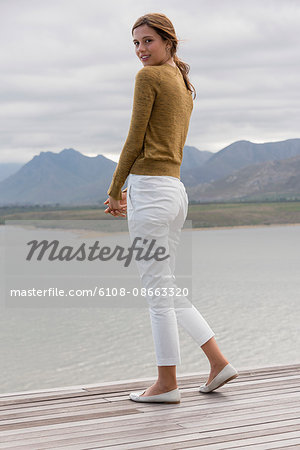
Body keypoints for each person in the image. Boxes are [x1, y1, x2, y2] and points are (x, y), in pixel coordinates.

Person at [104, 13, 238, 404]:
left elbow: (135, 137)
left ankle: (166, 383)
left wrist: (115, 190)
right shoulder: (181, 80)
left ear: (168, 41)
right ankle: (217, 362)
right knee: (166, 285)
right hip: (175, 191)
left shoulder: (149, 78)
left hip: (149, 191)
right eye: (135, 43)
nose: (141, 50)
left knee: (156, 291)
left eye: (148, 41)